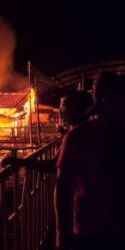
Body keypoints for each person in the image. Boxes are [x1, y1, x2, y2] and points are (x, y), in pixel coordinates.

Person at [55, 73, 125, 250]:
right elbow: (62, 187)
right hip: (90, 233)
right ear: (104, 102)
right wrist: (61, 233)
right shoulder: (78, 138)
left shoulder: (77, 137)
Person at [0, 90, 93, 172]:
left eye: (63, 107)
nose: (60, 112)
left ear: (75, 110)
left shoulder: (75, 136)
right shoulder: (90, 131)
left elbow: (51, 165)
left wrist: (19, 161)